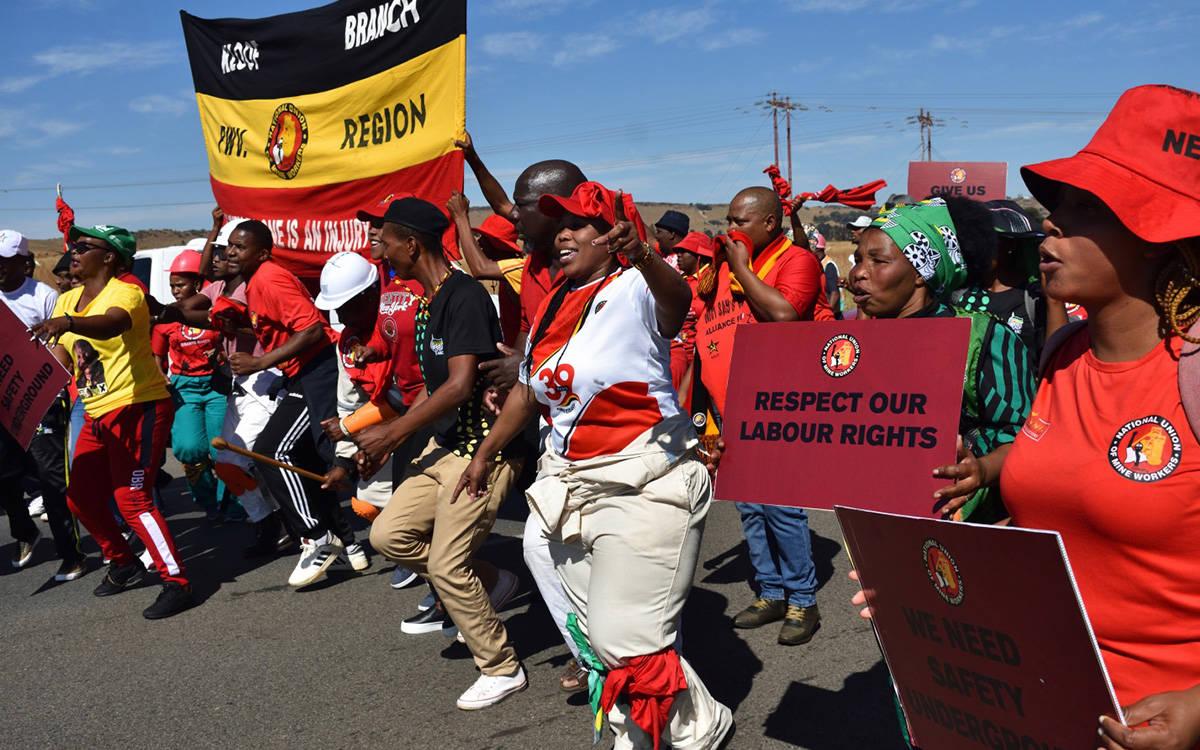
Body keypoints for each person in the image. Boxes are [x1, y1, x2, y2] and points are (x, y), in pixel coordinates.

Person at [455, 181, 733, 747]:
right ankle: (669, 716)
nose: (562, 235)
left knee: (624, 633)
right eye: (556, 225)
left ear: (613, 235)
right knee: (599, 632)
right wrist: (484, 454)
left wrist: (645, 256)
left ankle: (690, 730)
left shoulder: (635, 285)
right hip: (570, 485)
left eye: (579, 225)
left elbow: (676, 303)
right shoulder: (558, 298)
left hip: (644, 479)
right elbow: (529, 392)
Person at [994, 84, 1200, 750]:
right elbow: (1056, 526)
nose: (1050, 224)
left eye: (1085, 209)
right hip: (1039, 708)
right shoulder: (1060, 355)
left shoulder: (1194, 377)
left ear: (1155, 238)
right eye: (1057, 207)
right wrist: (928, 581)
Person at [358, 198, 525, 710]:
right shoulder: (429, 299)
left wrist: (390, 436)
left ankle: (501, 667)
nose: (379, 248)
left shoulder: (464, 295)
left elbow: (458, 386)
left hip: (482, 449)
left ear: (412, 244)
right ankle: (494, 581)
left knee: (450, 567)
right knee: (389, 534)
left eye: (386, 239)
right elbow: (431, 387)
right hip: (444, 446)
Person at [29, 224, 194, 619]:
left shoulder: (126, 290)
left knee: (132, 499)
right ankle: (123, 562)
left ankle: (177, 581)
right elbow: (66, 360)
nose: (74, 250)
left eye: (85, 246)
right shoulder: (68, 299)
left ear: (109, 257)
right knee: (79, 496)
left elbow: (114, 323)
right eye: (74, 245)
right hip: (97, 412)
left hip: (139, 406)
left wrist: (67, 324)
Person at [693, 186, 832, 646]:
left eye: (742, 221)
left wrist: (742, 270)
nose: (731, 230)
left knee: (782, 508)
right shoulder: (720, 271)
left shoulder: (797, 261)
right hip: (731, 410)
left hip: (779, 406)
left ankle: (801, 600)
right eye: (728, 220)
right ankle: (770, 591)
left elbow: (786, 314)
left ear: (770, 223)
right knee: (750, 508)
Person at [847, 198, 1035, 522]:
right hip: (884, 519)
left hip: (969, 526)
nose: (858, 273)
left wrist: (981, 468)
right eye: (858, 259)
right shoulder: (859, 344)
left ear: (921, 272)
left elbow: (1024, 435)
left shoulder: (983, 337)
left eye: (878, 261)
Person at [224, 220, 363, 586]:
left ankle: (317, 536)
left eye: (240, 247)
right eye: (230, 246)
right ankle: (349, 544)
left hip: (317, 370)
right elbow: (276, 328)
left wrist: (259, 362)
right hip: (300, 373)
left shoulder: (269, 278)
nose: (231, 252)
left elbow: (312, 328)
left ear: (263, 252)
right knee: (305, 456)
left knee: (274, 451)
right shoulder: (254, 284)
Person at [0, 230, 85, 580]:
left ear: (23, 262)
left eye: (5, 262)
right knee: (5, 478)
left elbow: (61, 348)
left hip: (42, 400)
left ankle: (72, 555)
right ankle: (26, 534)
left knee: (52, 479)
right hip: (4, 402)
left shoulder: (45, 297)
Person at [150, 249, 227, 522]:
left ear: (197, 284)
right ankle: (208, 502)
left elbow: (231, 342)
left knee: (222, 449)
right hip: (185, 389)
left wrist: (220, 356)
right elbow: (157, 355)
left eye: (180, 284)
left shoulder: (214, 310)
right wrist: (161, 374)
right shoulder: (168, 316)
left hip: (218, 387)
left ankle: (231, 504)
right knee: (187, 447)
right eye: (172, 285)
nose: (175, 291)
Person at [951, 199, 1068, 365]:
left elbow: (1057, 361)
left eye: (986, 239)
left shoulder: (1034, 297)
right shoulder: (958, 293)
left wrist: (1053, 300)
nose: (976, 247)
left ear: (1010, 244)